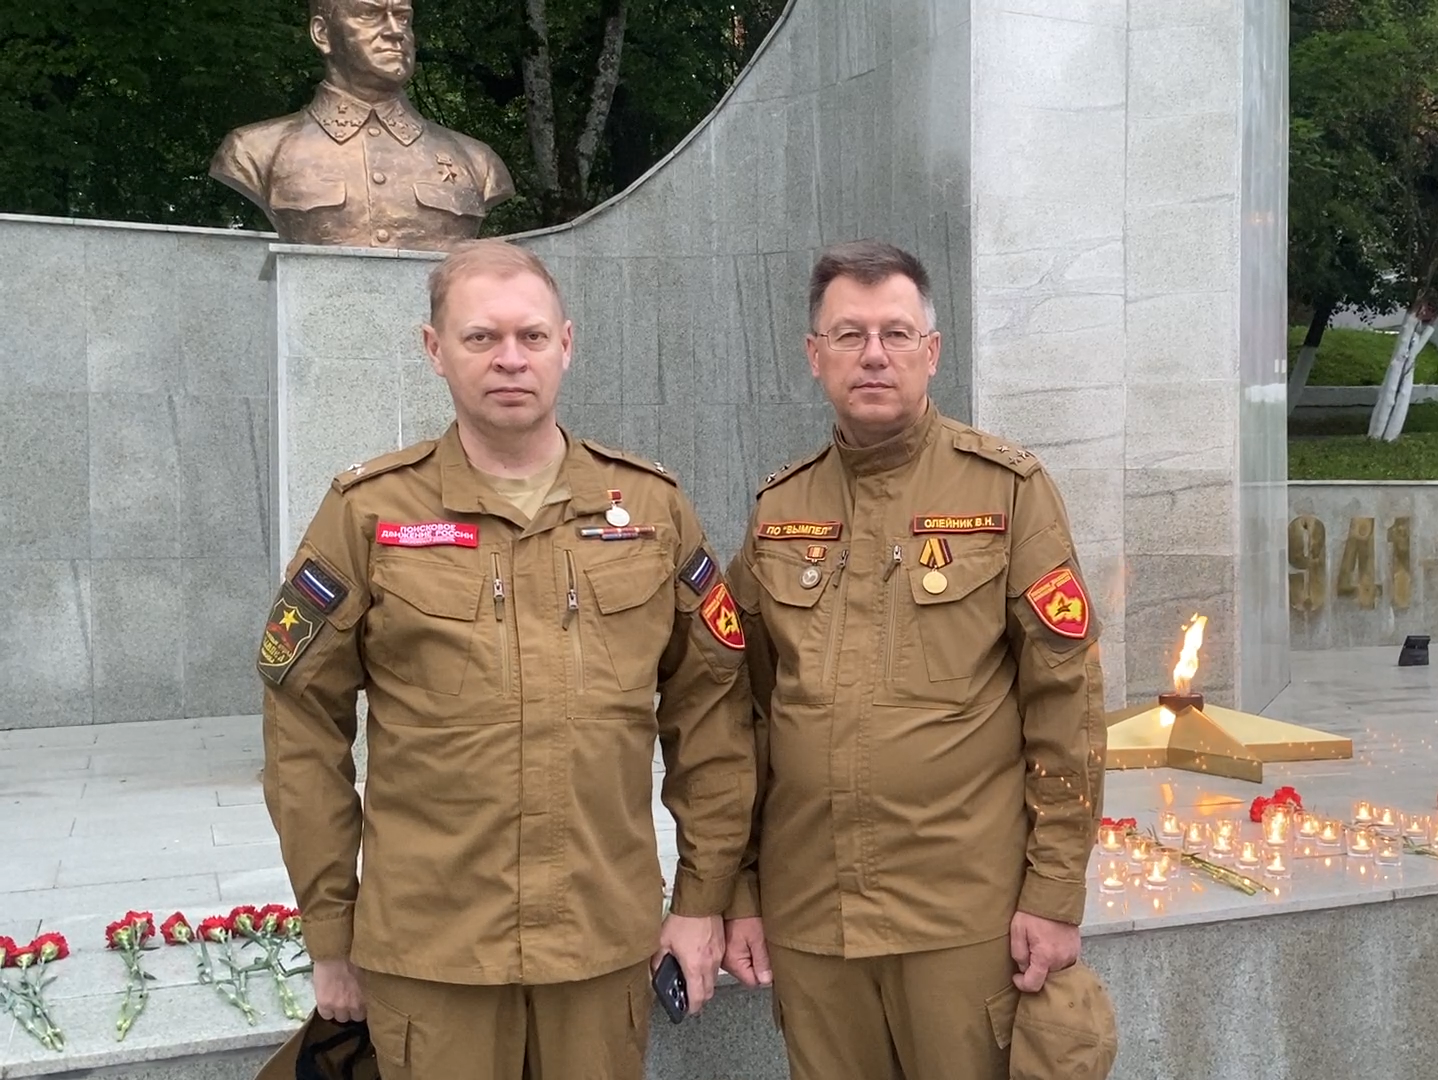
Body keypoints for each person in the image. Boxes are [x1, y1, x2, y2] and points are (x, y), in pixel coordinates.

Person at [256, 239, 753, 1078]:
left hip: (599, 942)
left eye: (530, 336)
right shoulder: (370, 513)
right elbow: (302, 725)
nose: (509, 360)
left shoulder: (653, 510)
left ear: (568, 343)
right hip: (433, 950)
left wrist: (703, 900)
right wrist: (332, 931)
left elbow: (712, 713)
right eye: (481, 338)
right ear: (434, 350)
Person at [721, 239, 1108, 1079]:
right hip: (812, 916)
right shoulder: (778, 510)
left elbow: (1065, 702)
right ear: (813, 354)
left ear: (931, 353)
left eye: (896, 333)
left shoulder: (1005, 492)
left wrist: (1054, 894)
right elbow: (739, 716)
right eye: (848, 334)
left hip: (961, 915)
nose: (873, 354)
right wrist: (741, 892)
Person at [211, 0, 513, 250]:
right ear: (322, 33)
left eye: (403, 18)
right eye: (370, 14)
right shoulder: (255, 150)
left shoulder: (477, 161)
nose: (396, 32)